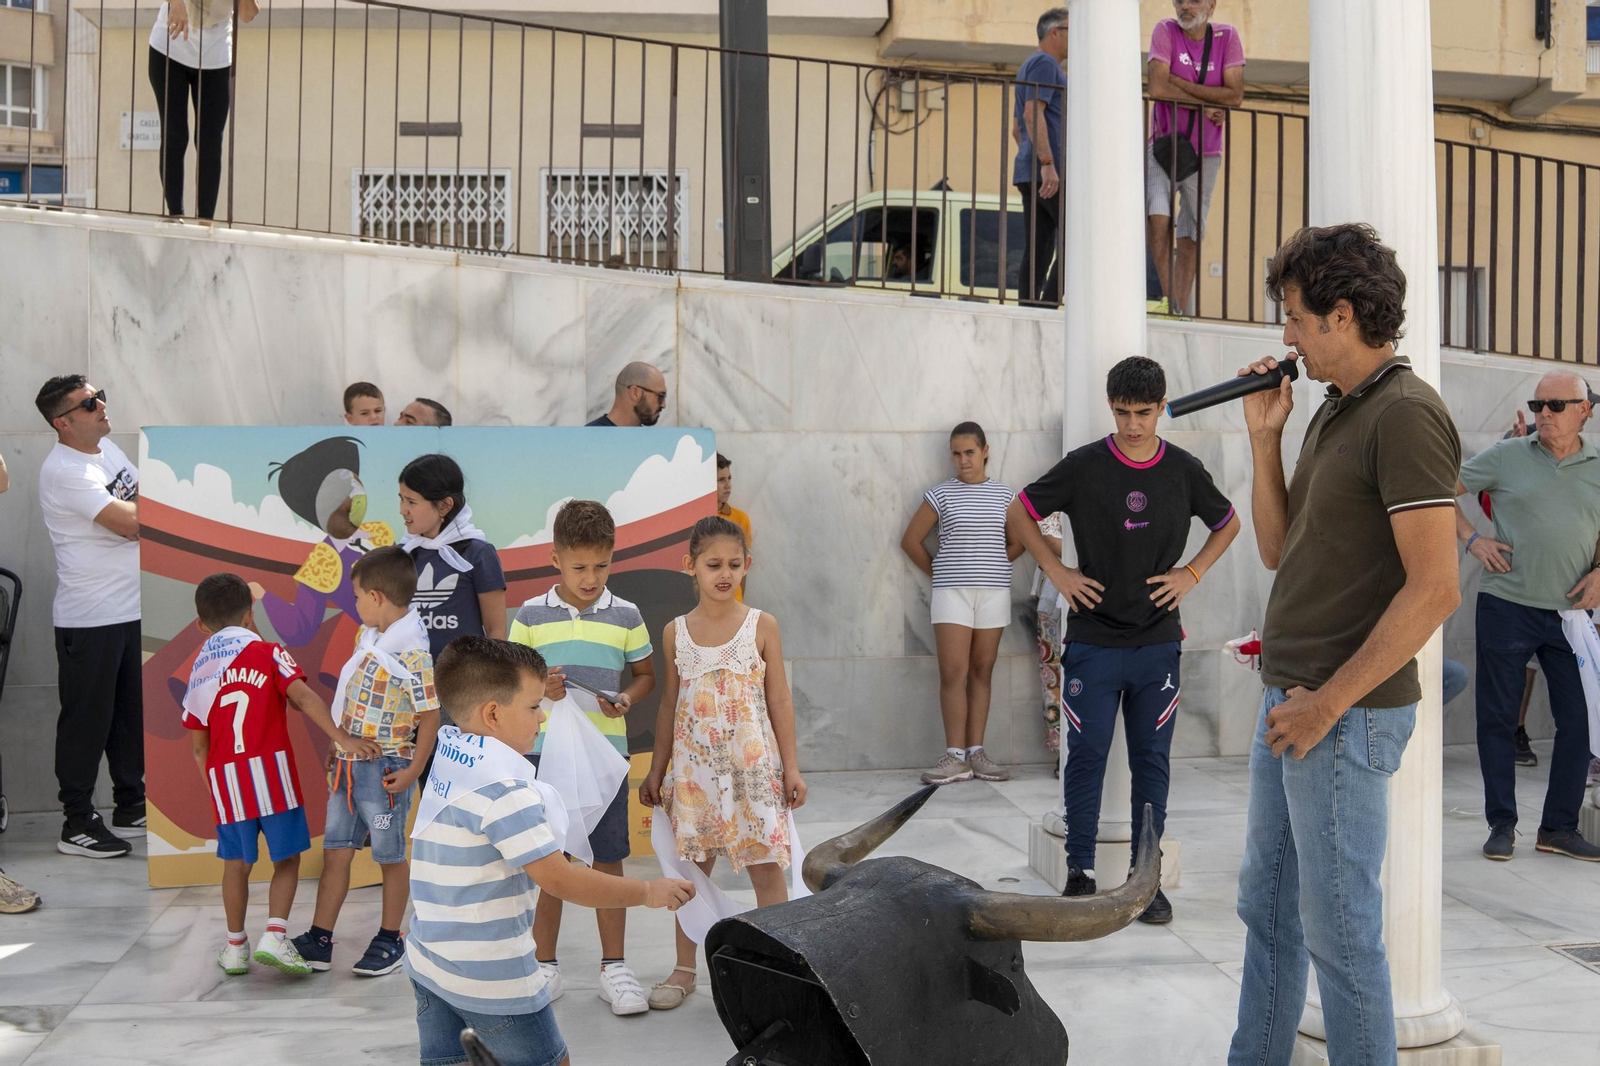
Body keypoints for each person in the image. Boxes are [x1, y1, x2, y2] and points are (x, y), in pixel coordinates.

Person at [1228, 224, 1463, 1066]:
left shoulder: (1405, 414)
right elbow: (1277, 550)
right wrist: (1264, 437)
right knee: (1269, 910)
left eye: (1293, 318)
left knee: (1342, 936)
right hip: (1293, 701)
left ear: (1340, 314)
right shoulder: (1337, 410)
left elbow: (1436, 587)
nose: (1284, 336)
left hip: (1341, 714)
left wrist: (1330, 703)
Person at [1007, 356, 1240, 924]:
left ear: (1162, 408)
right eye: (1121, 413)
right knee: (1084, 756)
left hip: (1158, 643)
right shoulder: (1085, 466)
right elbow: (1019, 511)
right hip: (1091, 640)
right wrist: (1059, 573)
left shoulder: (1183, 470)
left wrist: (1193, 573)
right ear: (1109, 408)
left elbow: (1228, 521)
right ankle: (1080, 874)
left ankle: (1146, 878)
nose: (1132, 425)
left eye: (1142, 412)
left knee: (1151, 761)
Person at [407, 636, 692, 1066]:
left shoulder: (450, 751)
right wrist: (648, 892)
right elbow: (559, 878)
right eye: (534, 706)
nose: (542, 717)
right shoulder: (505, 792)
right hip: (494, 974)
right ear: (492, 714)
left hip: (429, 961)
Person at [640, 516, 806, 1011]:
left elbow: (779, 701)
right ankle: (685, 968)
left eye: (734, 564)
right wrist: (657, 769)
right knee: (692, 875)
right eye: (713, 564)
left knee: (765, 871)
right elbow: (670, 704)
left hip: (752, 776)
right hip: (694, 778)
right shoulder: (675, 633)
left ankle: (778, 968)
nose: (724, 573)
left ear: (747, 566)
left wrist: (791, 768)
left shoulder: (762, 626)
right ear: (689, 566)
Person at [181, 573, 381, 976]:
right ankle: (275, 934)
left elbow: (199, 745)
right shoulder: (269, 652)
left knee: (235, 863)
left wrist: (216, 789)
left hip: (227, 781)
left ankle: (236, 946)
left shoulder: (200, 671)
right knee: (286, 858)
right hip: (271, 776)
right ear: (251, 615)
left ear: (202, 626)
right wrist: (342, 737)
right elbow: (304, 698)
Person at [508, 500, 657, 1015]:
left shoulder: (627, 616)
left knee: (609, 858)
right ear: (555, 559)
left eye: (601, 565)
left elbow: (645, 676)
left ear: (613, 558)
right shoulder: (528, 616)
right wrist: (536, 686)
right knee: (552, 860)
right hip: (543, 759)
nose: (591, 578)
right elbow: (512, 686)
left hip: (606, 760)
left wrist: (628, 700)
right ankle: (543, 968)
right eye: (579, 567)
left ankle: (614, 968)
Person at [1455, 370, 1600, 863]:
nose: (1544, 414)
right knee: (1497, 719)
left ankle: (1558, 828)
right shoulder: (1508, 455)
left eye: (1557, 406)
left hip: (1569, 615)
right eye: (1538, 404)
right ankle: (1502, 824)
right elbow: (1433, 490)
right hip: (1507, 606)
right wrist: (1473, 539)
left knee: (1579, 722)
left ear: (1586, 411)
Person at [291, 546, 441, 976]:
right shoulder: (368, 639)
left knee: (389, 855)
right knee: (336, 850)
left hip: (386, 771)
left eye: (357, 596)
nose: (354, 605)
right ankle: (320, 937)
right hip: (348, 768)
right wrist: (338, 742)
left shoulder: (412, 652)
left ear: (376, 597)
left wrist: (413, 770)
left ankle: (391, 937)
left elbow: (430, 715)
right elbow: (353, 695)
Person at [34, 376, 145, 858]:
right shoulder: (64, 470)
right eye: (88, 403)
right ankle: (76, 822)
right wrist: (154, 512)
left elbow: (146, 501)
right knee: (86, 722)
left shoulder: (109, 453)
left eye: (101, 396)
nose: (102, 406)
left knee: (128, 718)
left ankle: (131, 804)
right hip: (89, 617)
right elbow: (133, 524)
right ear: (63, 422)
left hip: (130, 609)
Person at [901, 422, 1022, 785]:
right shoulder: (940, 495)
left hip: (994, 592)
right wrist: (940, 572)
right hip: (951, 593)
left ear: (985, 450)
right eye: (956, 453)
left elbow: (1019, 542)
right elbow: (910, 541)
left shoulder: (1005, 496)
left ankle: (977, 753)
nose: (963, 460)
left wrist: (994, 563)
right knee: (953, 672)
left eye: (969, 452)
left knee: (983, 670)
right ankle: (954, 756)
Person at [1146, 0, 1245, 315]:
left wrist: (1178, 82)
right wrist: (1204, 104)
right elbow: (1158, 88)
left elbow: (1235, 95)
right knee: (1158, 219)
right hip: (1163, 145)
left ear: (1212, 5)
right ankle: (1167, 299)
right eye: (1179, 0)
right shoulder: (1165, 30)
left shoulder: (1227, 37)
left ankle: (1180, 305)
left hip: (1206, 152)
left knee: (1190, 230)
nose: (1185, 6)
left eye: (1194, 0)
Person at [148, 0, 259, 219]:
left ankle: (205, 223)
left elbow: (247, 14)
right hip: (170, 46)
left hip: (215, 58)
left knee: (210, 142)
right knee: (175, 134)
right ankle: (175, 215)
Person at [398, 454, 507, 657]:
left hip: (465, 681)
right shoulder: (400, 554)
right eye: (401, 499)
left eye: (411, 502)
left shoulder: (479, 554)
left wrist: (492, 681)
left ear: (445, 506)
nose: (402, 510)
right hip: (410, 680)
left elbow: (496, 630)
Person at [1013, 8, 1068, 305]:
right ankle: (1045, 307)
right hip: (1046, 172)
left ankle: (1031, 310)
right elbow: (1032, 114)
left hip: (1030, 171)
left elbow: (1016, 129)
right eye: (1072, 29)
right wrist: (1047, 163)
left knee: (1039, 249)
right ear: (1055, 32)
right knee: (1077, 243)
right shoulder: (1046, 63)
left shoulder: (1029, 66)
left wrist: (1032, 159)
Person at [716, 453, 754, 601]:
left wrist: (740, 602)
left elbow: (743, 566)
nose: (728, 485)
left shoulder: (740, 519)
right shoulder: (696, 518)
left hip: (733, 600)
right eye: (720, 480)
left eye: (729, 478)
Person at [589, 362, 668, 427]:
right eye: (660, 396)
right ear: (635, 393)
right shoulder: (588, 439)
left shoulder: (651, 442)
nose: (663, 405)